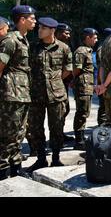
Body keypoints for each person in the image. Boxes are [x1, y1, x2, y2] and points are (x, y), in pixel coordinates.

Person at [27, 17, 73, 172]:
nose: (39, 30)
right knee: (36, 129)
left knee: (57, 128)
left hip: (57, 95)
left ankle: (55, 158)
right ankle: (41, 158)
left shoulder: (64, 48)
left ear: (52, 31)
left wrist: (55, 81)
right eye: (39, 27)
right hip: (36, 95)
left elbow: (68, 69)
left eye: (43, 28)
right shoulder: (33, 47)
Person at [0, 6, 36, 180]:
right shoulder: (10, 40)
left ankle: (15, 167)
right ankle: (2, 169)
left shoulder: (23, 39)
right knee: (8, 133)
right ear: (22, 19)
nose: (34, 21)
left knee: (19, 132)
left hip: (22, 92)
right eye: (32, 18)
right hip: (11, 93)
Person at [72, 28, 98, 150]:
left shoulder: (87, 51)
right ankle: (79, 140)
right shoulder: (81, 51)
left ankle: (80, 137)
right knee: (82, 112)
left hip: (87, 86)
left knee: (85, 111)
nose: (96, 40)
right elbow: (76, 69)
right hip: (83, 86)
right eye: (94, 37)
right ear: (88, 38)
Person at [55, 23, 76, 144]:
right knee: (58, 112)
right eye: (65, 33)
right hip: (56, 85)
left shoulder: (66, 46)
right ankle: (57, 137)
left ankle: (60, 134)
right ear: (58, 32)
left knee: (64, 110)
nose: (68, 36)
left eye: (69, 33)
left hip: (64, 85)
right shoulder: (54, 46)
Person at [95, 28, 111, 126]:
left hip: (106, 80)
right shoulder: (102, 48)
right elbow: (100, 67)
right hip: (103, 80)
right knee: (103, 106)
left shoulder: (105, 47)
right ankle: (101, 126)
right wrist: (101, 84)